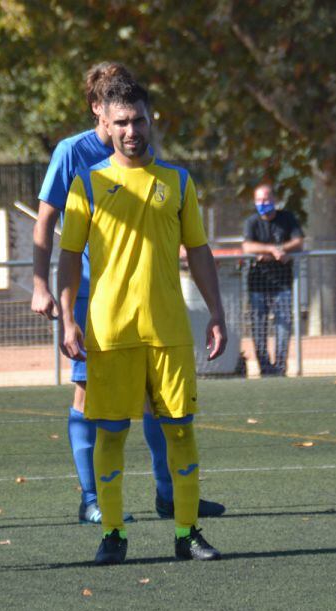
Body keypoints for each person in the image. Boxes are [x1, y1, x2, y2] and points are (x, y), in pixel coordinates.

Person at [31, 62, 224, 524]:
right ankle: (93, 500)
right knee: (89, 399)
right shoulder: (74, 158)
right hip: (92, 298)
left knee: (164, 406)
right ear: (98, 110)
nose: (125, 126)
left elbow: (194, 245)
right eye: (114, 115)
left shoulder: (168, 175)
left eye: (135, 117)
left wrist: (215, 309)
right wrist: (46, 289)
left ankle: (168, 495)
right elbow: (47, 224)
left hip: (154, 306)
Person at [240, 183, 303, 377]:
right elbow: (247, 247)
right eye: (259, 200)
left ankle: (280, 367)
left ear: (274, 200)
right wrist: (271, 250)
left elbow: (298, 241)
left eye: (266, 199)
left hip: (283, 284)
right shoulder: (251, 221)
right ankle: (265, 368)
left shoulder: (287, 218)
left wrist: (282, 250)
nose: (263, 203)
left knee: (283, 324)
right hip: (258, 285)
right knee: (258, 327)